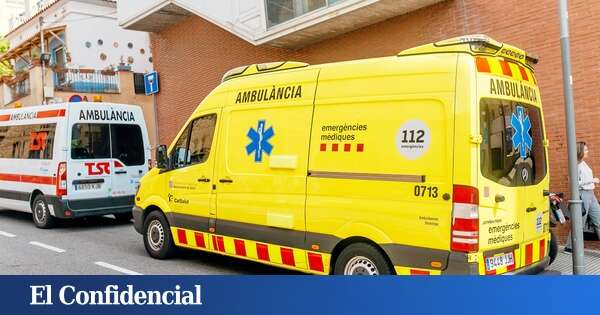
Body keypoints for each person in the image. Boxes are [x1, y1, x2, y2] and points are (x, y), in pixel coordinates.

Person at [565, 141, 600, 252]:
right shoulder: (575, 166)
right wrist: (592, 180)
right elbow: (575, 183)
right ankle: (570, 247)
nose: (587, 151)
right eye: (585, 150)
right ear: (579, 152)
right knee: (579, 222)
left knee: (598, 220)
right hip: (583, 194)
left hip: (591, 194)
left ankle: (569, 247)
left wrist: (591, 181)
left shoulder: (584, 163)